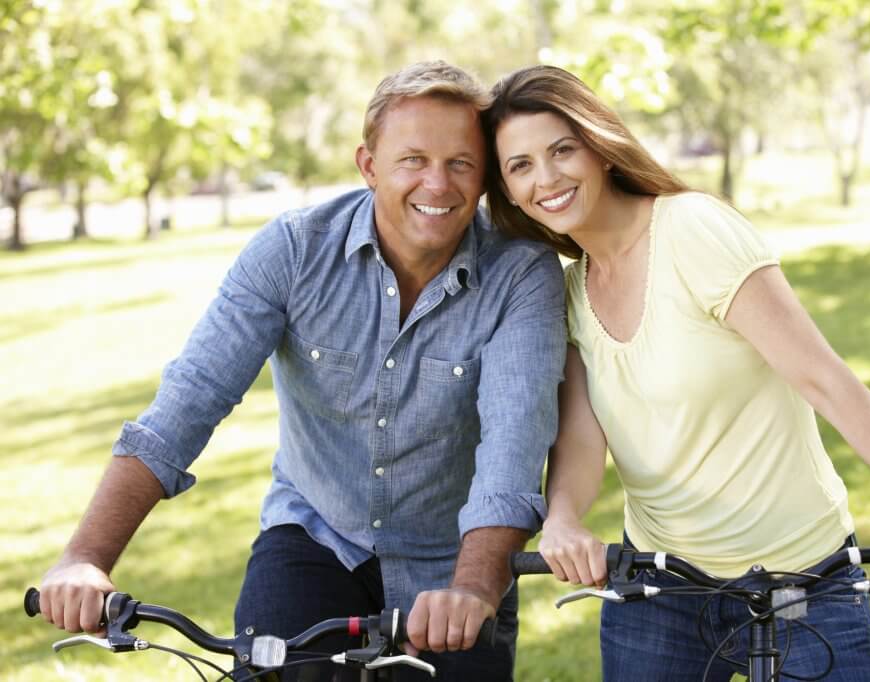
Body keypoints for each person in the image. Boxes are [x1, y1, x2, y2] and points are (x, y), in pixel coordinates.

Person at [37, 61, 567, 681]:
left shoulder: (522, 274)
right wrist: (85, 557)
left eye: (460, 163)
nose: (438, 183)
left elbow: (513, 443)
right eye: (412, 160)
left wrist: (476, 589)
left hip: (455, 560)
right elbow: (191, 399)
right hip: (318, 537)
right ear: (368, 165)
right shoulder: (292, 251)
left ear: (483, 178)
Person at [482, 64, 870, 681]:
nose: (547, 178)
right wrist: (562, 518)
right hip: (662, 589)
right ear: (506, 190)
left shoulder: (692, 230)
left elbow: (825, 379)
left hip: (804, 577)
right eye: (520, 165)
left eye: (563, 150)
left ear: (601, 147)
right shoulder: (571, 291)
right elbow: (584, 441)